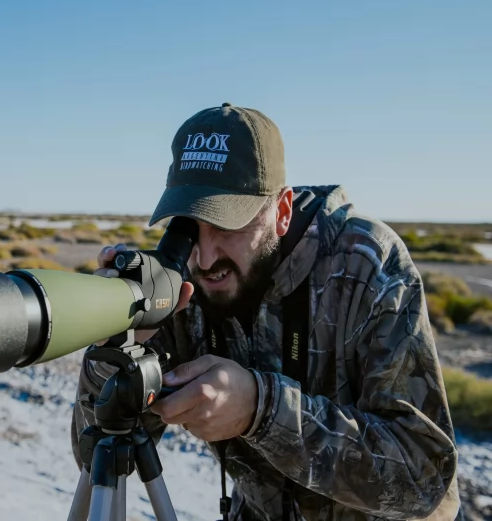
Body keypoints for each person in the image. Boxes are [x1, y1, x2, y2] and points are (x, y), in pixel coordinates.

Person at [71, 103, 460, 520]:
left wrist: (262, 410)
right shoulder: (180, 281)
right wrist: (116, 347)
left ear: (283, 210)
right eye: (188, 227)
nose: (205, 258)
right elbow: (94, 458)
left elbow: (424, 479)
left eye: (227, 224)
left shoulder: (364, 265)